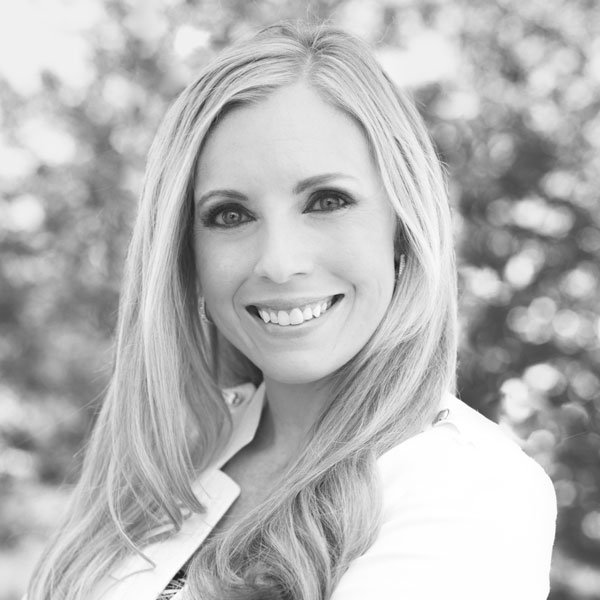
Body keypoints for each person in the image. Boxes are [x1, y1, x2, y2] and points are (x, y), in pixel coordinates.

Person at [26, 22, 557, 600]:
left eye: (326, 201)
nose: (278, 263)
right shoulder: (166, 461)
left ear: (403, 229)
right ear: (186, 253)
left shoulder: (469, 488)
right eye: (230, 215)